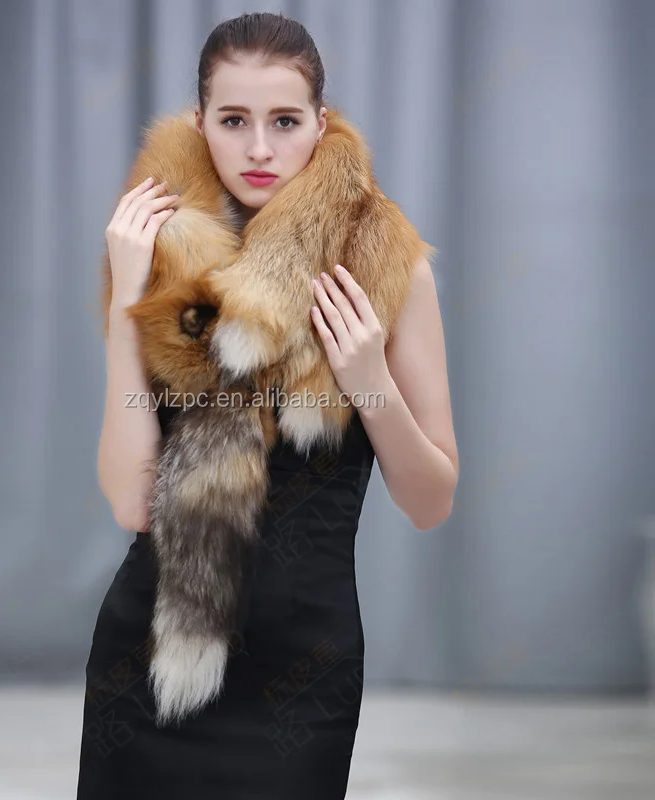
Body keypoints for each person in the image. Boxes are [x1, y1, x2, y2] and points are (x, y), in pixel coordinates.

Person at [77, 11, 458, 800]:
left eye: (284, 121)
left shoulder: (385, 267)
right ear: (200, 123)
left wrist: (367, 378)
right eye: (234, 120)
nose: (258, 148)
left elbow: (431, 502)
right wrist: (126, 303)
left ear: (321, 123)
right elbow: (129, 503)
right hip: (147, 663)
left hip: (302, 674)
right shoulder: (158, 253)